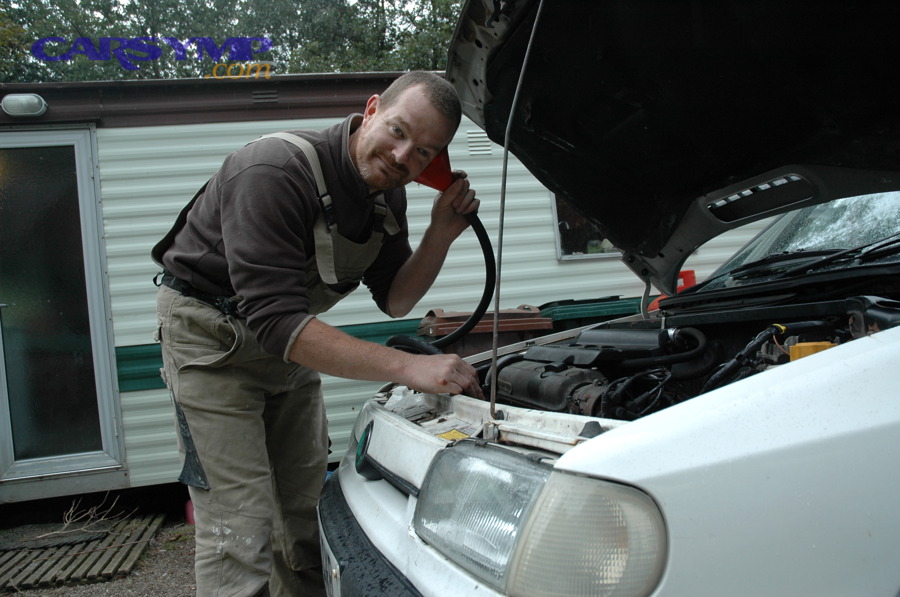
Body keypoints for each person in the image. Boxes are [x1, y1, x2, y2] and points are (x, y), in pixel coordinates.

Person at [152, 70, 483, 596]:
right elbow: (276, 320)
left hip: (285, 346)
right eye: (398, 131)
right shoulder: (273, 170)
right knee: (240, 522)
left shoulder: (386, 197)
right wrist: (411, 367)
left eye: (424, 152)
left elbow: (396, 298)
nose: (403, 158)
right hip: (211, 340)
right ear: (371, 109)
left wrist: (440, 233)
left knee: (304, 508)